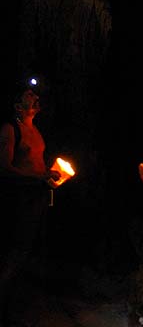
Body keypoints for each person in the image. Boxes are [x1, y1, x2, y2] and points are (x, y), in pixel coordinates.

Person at [0, 79, 60, 326]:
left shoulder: (35, 130)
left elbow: (36, 163)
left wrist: (51, 173)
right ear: (17, 105)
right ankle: (3, 308)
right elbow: (4, 168)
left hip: (37, 196)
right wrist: (39, 176)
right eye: (28, 95)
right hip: (20, 198)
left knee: (29, 251)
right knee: (16, 252)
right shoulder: (9, 129)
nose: (34, 96)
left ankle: (19, 303)